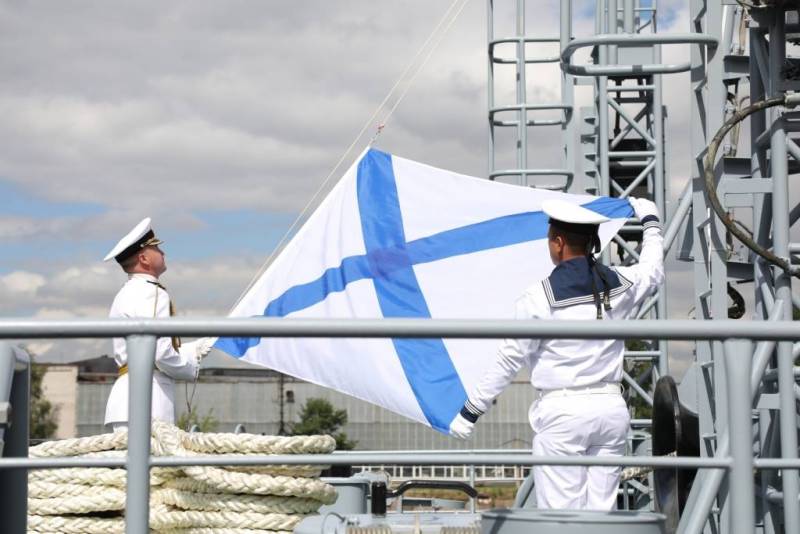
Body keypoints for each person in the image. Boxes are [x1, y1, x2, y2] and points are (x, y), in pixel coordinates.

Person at [449, 197, 664, 510]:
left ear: (559, 243)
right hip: (611, 410)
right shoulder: (621, 284)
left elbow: (510, 359)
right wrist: (651, 222)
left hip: (564, 413)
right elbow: (653, 270)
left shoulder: (539, 297)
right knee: (601, 517)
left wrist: (471, 412)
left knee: (562, 520)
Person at [102, 218, 212, 431]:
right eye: (157, 248)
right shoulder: (152, 292)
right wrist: (189, 367)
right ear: (144, 258)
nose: (163, 253)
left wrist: (194, 349)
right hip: (148, 401)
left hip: (130, 400)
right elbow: (159, 353)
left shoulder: (127, 292)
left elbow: (146, 348)